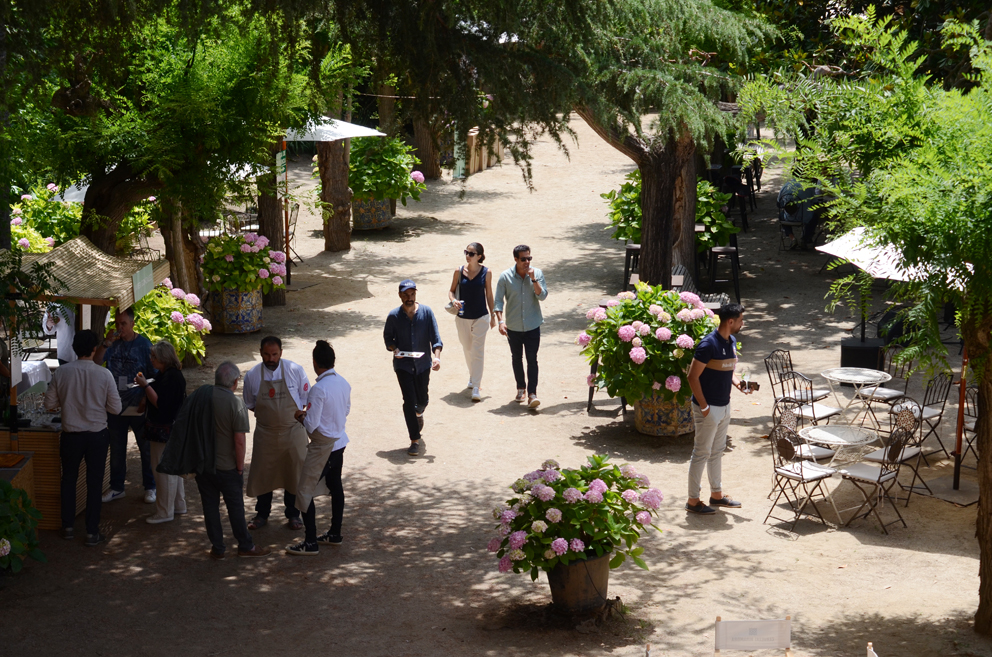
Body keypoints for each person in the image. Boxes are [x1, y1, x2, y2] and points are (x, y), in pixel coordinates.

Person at [44, 329, 122, 547]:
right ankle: (91, 531)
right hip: (97, 435)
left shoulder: (62, 372)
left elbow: (49, 404)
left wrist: (67, 401)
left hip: (71, 435)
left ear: (74, 348)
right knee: (94, 483)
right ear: (94, 349)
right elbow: (116, 408)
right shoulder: (103, 374)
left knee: (68, 480)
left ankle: (67, 526)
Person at [193, 361, 270, 558]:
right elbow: (239, 441)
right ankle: (245, 544)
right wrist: (239, 467)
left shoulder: (202, 397)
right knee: (235, 507)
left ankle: (217, 547)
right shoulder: (235, 404)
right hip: (227, 467)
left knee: (210, 508)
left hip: (203, 464)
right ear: (235, 382)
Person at [685, 303, 752, 515]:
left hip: (724, 405)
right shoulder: (708, 345)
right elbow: (692, 376)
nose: (743, 323)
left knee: (717, 451)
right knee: (701, 452)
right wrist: (704, 407)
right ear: (730, 321)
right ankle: (693, 500)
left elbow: (728, 368)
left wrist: (738, 384)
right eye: (741, 320)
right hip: (708, 408)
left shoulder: (731, 341)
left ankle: (716, 495)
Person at [286, 340, 351, 555]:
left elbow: (312, 425)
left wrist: (300, 416)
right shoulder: (343, 382)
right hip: (339, 442)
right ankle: (335, 533)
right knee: (336, 487)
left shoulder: (318, 389)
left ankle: (311, 541)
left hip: (322, 447)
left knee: (304, 492)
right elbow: (347, 410)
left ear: (315, 363)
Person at [242, 336, 310, 531]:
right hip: (266, 434)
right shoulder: (253, 375)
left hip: (293, 432)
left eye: (274, 354)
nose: (271, 358)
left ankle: (293, 515)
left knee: (294, 473)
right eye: (266, 354)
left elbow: (305, 401)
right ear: (260, 353)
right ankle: (262, 514)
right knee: (265, 475)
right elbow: (251, 404)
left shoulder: (295, 370)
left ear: (281, 353)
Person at [96, 307, 156, 504]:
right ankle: (117, 487)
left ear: (132, 324)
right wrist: (105, 343)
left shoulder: (144, 345)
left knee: (145, 449)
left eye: (123, 324)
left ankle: (150, 487)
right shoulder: (111, 344)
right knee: (117, 449)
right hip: (115, 405)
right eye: (117, 324)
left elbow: (154, 375)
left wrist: (145, 398)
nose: (119, 328)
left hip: (138, 404)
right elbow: (97, 363)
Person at [383, 279, 442, 457]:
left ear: (416, 294)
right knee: (409, 401)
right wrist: (396, 349)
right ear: (400, 295)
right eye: (406, 295)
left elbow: (436, 338)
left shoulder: (427, 312)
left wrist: (437, 358)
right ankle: (414, 440)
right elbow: (388, 339)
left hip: (423, 365)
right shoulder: (394, 316)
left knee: (422, 400)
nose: (409, 298)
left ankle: (419, 412)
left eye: (412, 294)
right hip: (403, 366)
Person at [137, 340, 187, 524]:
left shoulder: (170, 377)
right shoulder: (168, 374)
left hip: (164, 429)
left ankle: (165, 511)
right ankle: (178, 505)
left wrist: (145, 386)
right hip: (171, 428)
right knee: (172, 467)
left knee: (162, 470)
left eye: (154, 357)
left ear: (164, 358)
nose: (151, 360)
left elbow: (161, 404)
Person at [494, 244, 548, 408]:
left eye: (529, 258)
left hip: (533, 325)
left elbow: (542, 296)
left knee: (532, 359)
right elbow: (498, 301)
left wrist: (533, 279)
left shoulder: (537, 274)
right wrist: (501, 322)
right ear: (516, 259)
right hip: (514, 327)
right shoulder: (505, 277)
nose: (527, 262)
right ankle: (520, 388)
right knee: (516, 358)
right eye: (523, 259)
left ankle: (532, 393)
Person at [448, 242, 496, 402]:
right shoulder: (459, 271)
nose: (467, 256)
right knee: (467, 348)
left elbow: (489, 295)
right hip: (462, 317)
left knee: (477, 350)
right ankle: (473, 375)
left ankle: (476, 385)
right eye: (466, 252)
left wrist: (494, 315)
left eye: (471, 253)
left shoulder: (486, 273)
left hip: (481, 316)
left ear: (479, 256)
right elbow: (451, 290)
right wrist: (453, 300)